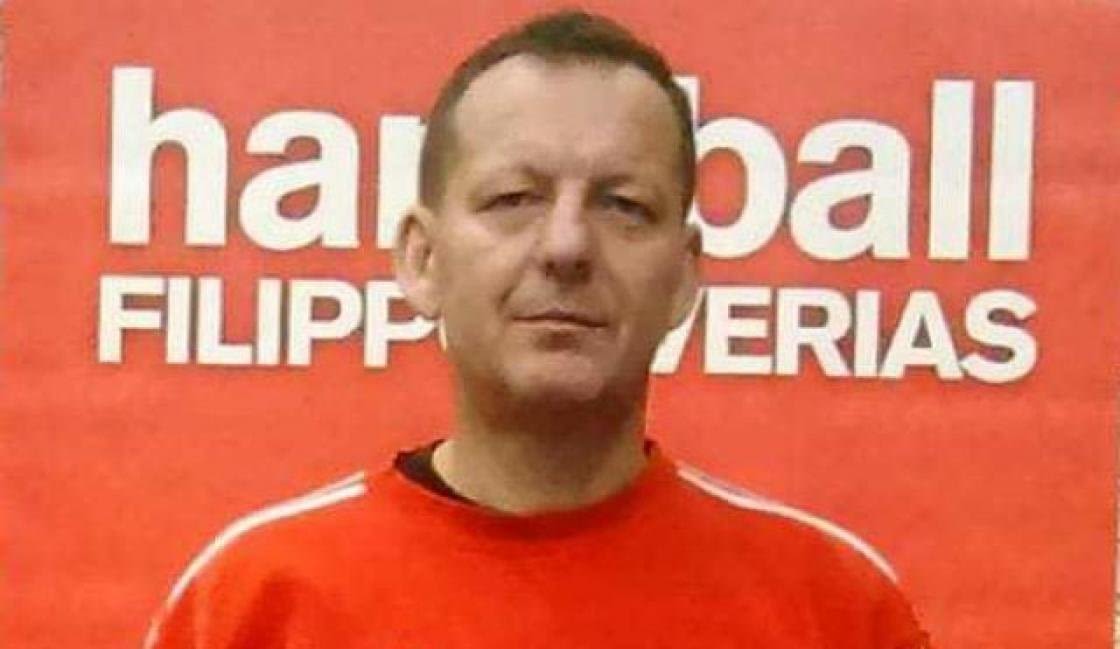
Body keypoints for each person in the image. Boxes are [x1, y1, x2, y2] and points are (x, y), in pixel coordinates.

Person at [144, 10, 930, 648]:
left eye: (623, 205)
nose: (565, 246)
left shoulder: (834, 607)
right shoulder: (254, 599)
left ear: (685, 274)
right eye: (514, 199)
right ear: (422, 257)